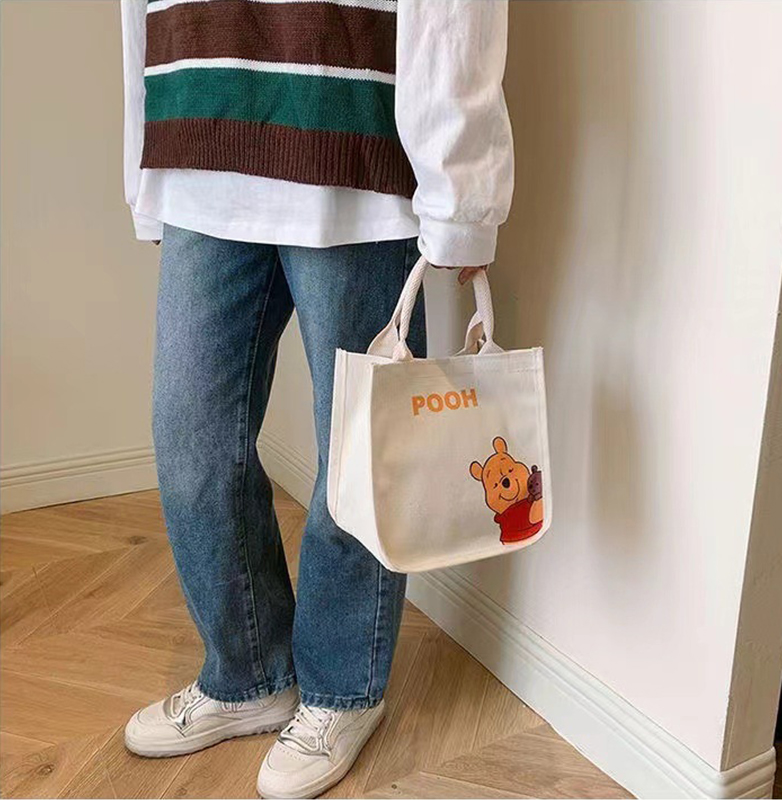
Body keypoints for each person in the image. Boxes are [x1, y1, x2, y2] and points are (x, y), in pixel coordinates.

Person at [119, 0, 513, 796]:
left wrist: (460, 192)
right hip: (200, 141)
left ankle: (341, 689)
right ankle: (248, 676)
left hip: (352, 142)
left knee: (360, 451)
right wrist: (145, 166)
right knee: (191, 438)